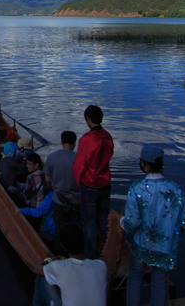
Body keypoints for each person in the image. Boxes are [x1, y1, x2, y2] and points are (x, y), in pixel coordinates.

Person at [121, 145, 185, 306]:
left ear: (143, 163)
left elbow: (132, 223)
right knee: (159, 282)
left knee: (135, 278)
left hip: (141, 245)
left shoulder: (136, 188)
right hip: (165, 246)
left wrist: (121, 221)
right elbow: (184, 222)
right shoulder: (176, 189)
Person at [72, 104, 114, 259]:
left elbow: (81, 163)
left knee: (89, 222)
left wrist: (77, 180)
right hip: (105, 183)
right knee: (103, 218)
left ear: (88, 120)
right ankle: (107, 249)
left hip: (90, 184)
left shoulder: (88, 139)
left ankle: (91, 256)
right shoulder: (107, 136)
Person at [33, 223, 108, 306]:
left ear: (63, 246)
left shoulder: (58, 267)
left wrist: (51, 260)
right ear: (83, 241)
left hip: (57, 265)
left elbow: (37, 269)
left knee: (42, 277)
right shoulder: (101, 266)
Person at [44, 131, 81, 252]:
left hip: (59, 200)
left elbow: (48, 179)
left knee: (59, 229)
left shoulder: (52, 157)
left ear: (61, 142)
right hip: (77, 201)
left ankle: (58, 255)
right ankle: (79, 253)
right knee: (79, 228)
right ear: (74, 143)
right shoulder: (79, 159)